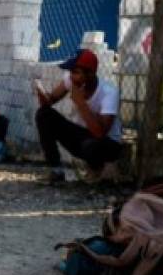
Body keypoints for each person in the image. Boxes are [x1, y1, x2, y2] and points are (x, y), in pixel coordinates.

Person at [33, 48, 122, 184]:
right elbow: (50, 101)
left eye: (75, 72)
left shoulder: (109, 93)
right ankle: (56, 170)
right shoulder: (72, 81)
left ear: (90, 74)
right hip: (83, 138)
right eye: (71, 72)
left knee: (91, 145)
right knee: (44, 114)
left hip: (108, 144)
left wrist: (81, 102)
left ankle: (99, 171)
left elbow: (100, 133)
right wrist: (43, 95)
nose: (71, 76)